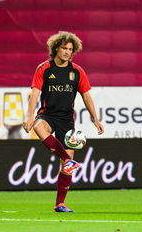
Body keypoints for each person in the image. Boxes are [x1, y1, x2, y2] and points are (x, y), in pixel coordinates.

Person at [23, 31, 104, 213]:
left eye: (70, 49)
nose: (67, 52)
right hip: (48, 114)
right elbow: (35, 93)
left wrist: (95, 119)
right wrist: (29, 116)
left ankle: (60, 204)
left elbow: (86, 96)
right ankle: (68, 160)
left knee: (66, 168)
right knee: (38, 127)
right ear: (56, 48)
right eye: (64, 48)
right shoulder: (44, 68)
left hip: (67, 120)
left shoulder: (77, 71)